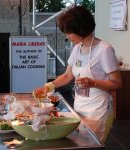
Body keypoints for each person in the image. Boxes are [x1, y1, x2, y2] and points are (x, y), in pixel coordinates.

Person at [42, 6, 122, 143]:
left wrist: (93, 83)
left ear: (81, 29)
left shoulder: (104, 50)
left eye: (69, 32)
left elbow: (117, 83)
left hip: (97, 110)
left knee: (91, 144)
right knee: (78, 143)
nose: (67, 36)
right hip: (79, 107)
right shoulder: (77, 49)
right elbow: (67, 76)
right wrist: (49, 86)